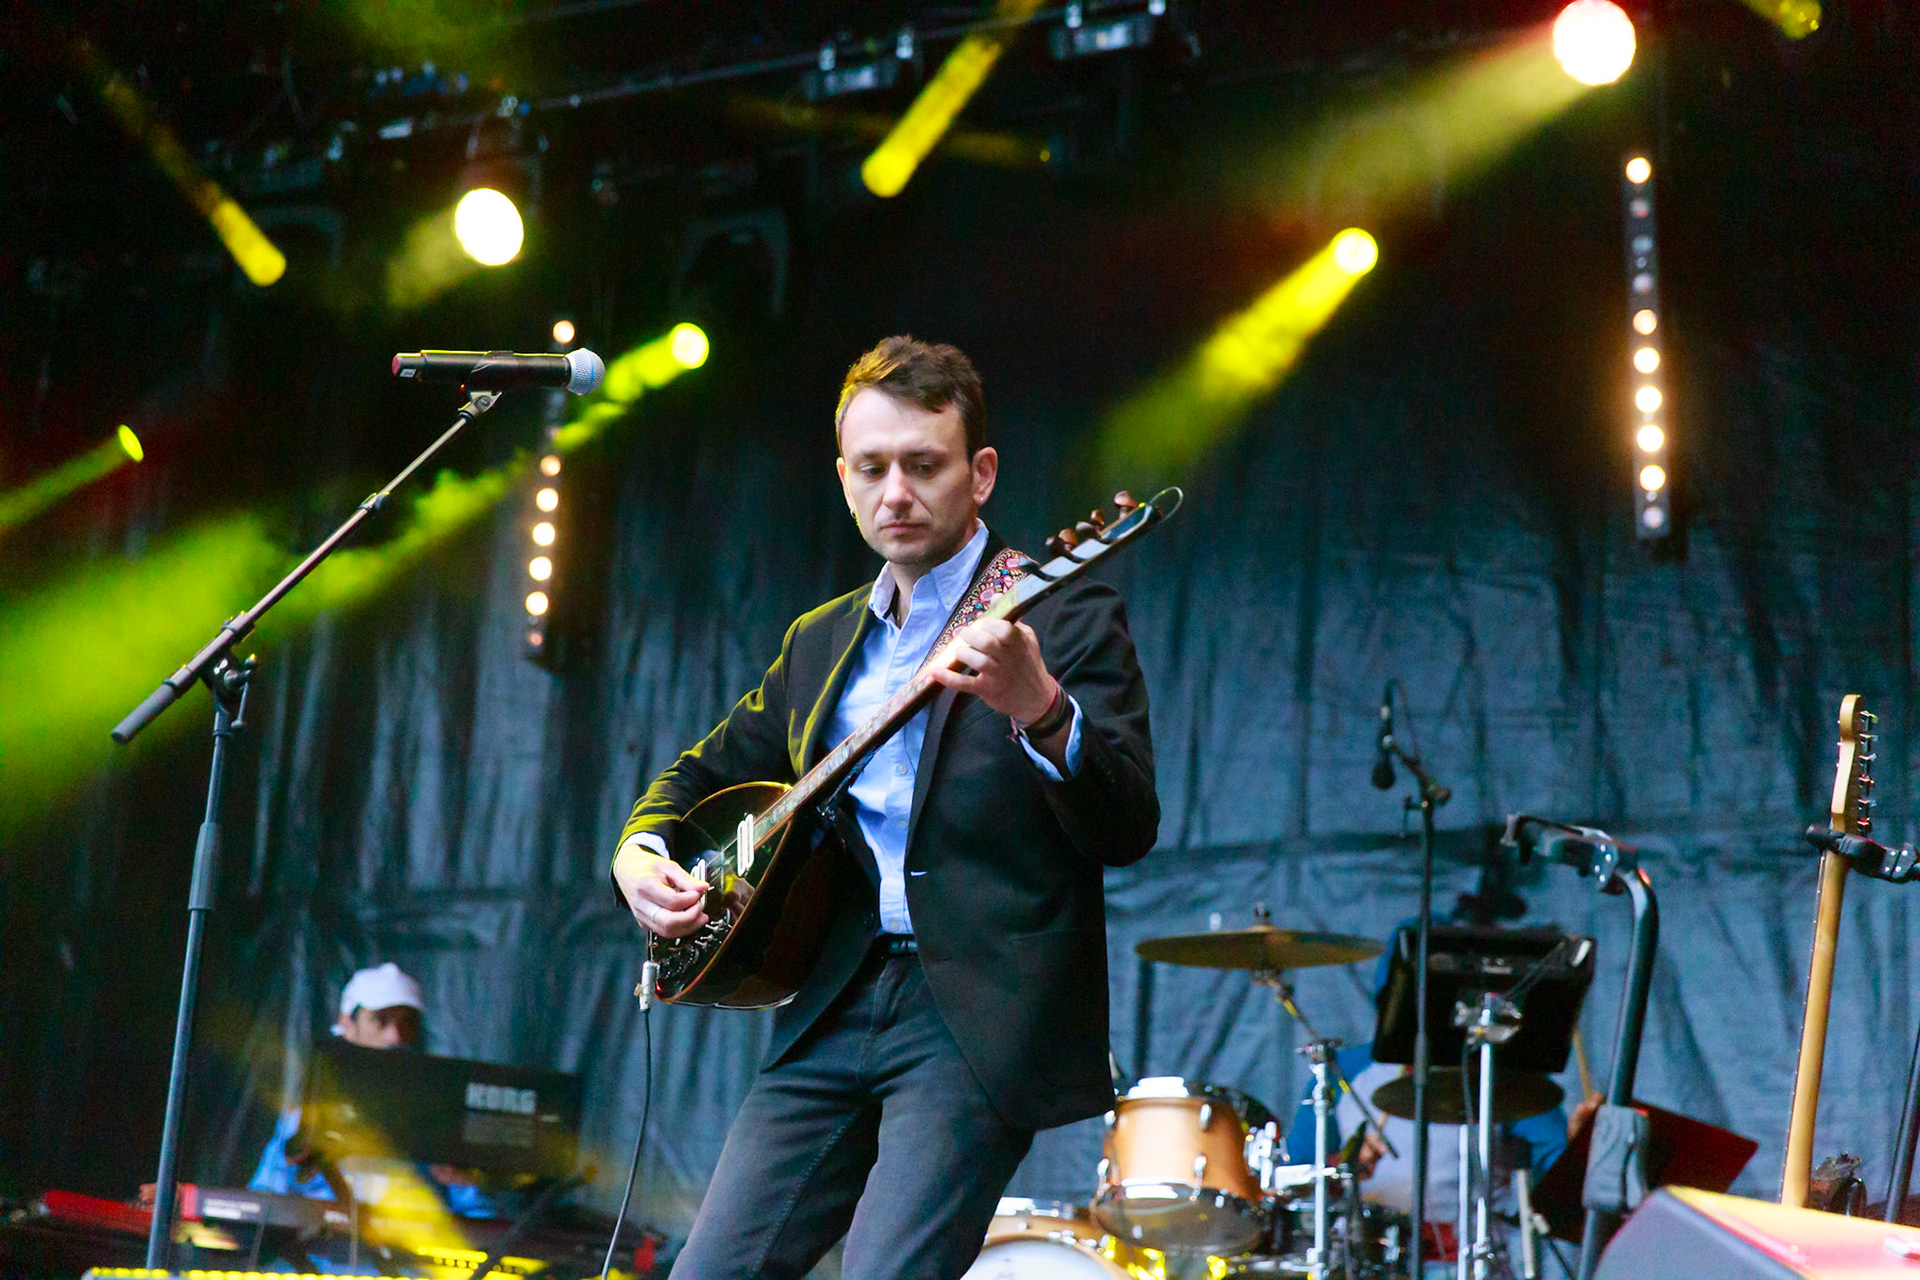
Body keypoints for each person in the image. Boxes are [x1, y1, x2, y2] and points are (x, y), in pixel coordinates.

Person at [611, 336, 1160, 1280]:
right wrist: (638, 855)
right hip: (831, 994)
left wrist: (1040, 706)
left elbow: (1127, 824)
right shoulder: (820, 641)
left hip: (974, 1012)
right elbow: (694, 776)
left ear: (980, 474)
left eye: (923, 465)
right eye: (871, 469)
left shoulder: (1063, 611)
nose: (895, 493)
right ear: (843, 477)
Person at [249, 963, 494, 1219]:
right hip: (321, 1255)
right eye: (380, 1020)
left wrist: (464, 1180)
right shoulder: (305, 1117)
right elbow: (262, 1203)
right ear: (347, 1023)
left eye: (406, 1023)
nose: (395, 1037)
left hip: (411, 1254)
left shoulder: (438, 1118)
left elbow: (480, 1218)